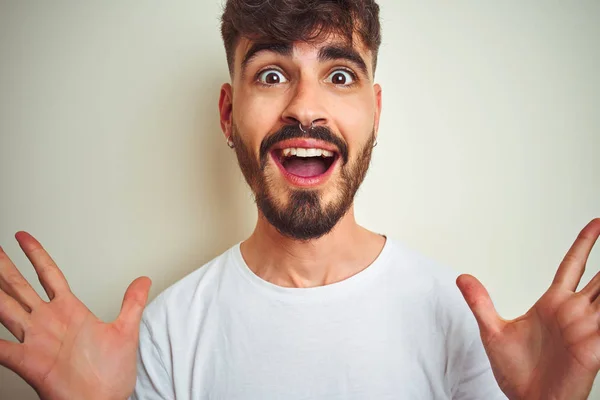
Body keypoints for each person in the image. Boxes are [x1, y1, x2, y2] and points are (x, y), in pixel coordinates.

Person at [0, 1, 599, 399]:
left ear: (375, 111)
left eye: (340, 75)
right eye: (270, 74)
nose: (305, 107)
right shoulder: (166, 337)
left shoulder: (467, 329)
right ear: (229, 115)